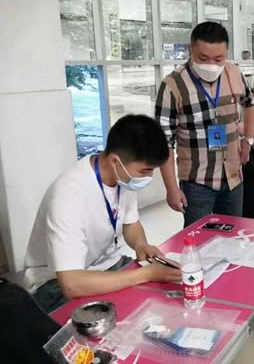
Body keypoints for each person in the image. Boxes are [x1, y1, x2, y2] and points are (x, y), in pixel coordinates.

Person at [22, 115, 182, 314]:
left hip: (107, 264)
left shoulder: (123, 177)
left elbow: (131, 224)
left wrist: (141, 244)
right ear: (114, 161)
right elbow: (71, 285)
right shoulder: (68, 196)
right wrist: (146, 273)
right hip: (55, 284)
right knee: (123, 321)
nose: (148, 177)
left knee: (164, 299)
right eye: (144, 171)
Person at [155, 22, 254, 227]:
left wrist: (248, 140)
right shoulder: (173, 85)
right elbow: (164, 142)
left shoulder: (234, 73)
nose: (211, 64)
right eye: (203, 58)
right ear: (191, 50)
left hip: (233, 177)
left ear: (226, 52)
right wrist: (171, 189)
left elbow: (252, 105)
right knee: (197, 239)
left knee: (232, 236)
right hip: (197, 182)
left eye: (218, 59)